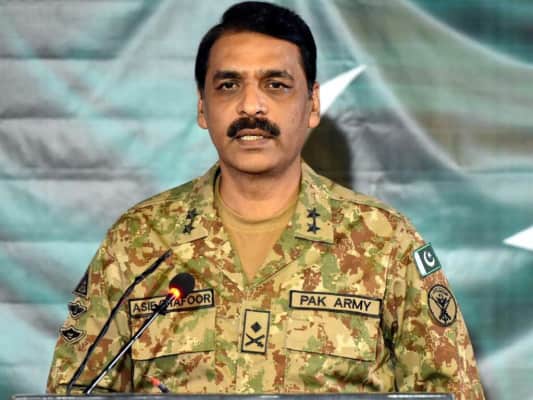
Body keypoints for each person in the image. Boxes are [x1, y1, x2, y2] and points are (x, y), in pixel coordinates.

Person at [47, 2, 485, 399]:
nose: (251, 106)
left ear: (312, 104)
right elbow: (73, 392)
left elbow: (454, 393)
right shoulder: (138, 242)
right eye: (228, 85)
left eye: (276, 85)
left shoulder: (385, 242)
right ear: (202, 107)